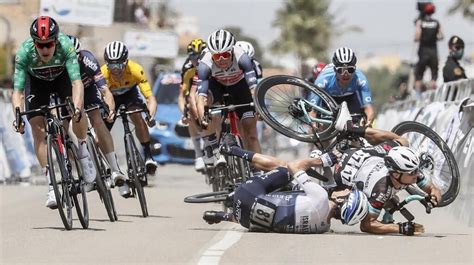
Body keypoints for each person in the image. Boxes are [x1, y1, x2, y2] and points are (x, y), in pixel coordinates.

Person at [202, 134, 369, 233]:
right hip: (243, 219)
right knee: (278, 216)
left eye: (349, 193)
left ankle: (231, 150)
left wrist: (320, 161)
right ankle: (222, 216)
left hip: (246, 193)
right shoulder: (323, 227)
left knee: (284, 168)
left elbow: (294, 167)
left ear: (342, 201)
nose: (346, 190)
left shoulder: (321, 196)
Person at [12, 16, 96, 208]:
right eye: (40, 45)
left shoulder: (66, 46)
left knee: (77, 111)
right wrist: (17, 115)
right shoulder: (24, 53)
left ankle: (83, 153)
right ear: (34, 43)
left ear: (56, 40)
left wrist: (76, 107)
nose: (45, 49)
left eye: (49, 44)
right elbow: (17, 92)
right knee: (37, 129)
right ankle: (51, 185)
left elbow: (77, 83)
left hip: (62, 79)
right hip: (36, 84)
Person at [331, 102, 442, 235]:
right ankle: (350, 129)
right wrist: (400, 228)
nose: (417, 174)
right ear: (396, 174)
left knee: (403, 141)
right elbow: (367, 225)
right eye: (412, 172)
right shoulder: (381, 189)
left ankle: (353, 129)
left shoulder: (409, 173)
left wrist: (435, 197)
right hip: (347, 169)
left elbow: (434, 189)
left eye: (416, 169)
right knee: (387, 201)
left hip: (368, 157)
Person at [67, 35, 130, 197]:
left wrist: (110, 109)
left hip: (88, 91)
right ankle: (79, 166)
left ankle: (115, 170)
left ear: (80, 55)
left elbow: (105, 91)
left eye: (75, 57)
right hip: (68, 93)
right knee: (62, 127)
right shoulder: (59, 64)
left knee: (97, 120)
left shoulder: (88, 60)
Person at [196, 29, 261, 166]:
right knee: (208, 107)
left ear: (231, 51)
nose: (221, 59)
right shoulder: (204, 65)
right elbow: (201, 97)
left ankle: (257, 168)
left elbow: (253, 88)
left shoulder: (242, 58)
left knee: (251, 130)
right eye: (216, 56)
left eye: (225, 55)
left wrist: (259, 107)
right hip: (217, 85)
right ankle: (212, 145)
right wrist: (202, 116)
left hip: (239, 86)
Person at [100, 41, 158, 181]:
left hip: (129, 94)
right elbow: (101, 99)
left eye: (119, 65)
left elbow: (150, 98)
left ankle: (148, 155)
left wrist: (150, 116)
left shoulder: (135, 70)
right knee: (100, 133)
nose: (116, 70)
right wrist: (109, 113)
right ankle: (106, 165)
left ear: (126, 62)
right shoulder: (102, 74)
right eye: (112, 65)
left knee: (137, 116)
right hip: (110, 97)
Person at [314, 47, 375, 127]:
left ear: (355, 69)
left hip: (350, 98)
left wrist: (369, 121)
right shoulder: (323, 79)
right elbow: (312, 109)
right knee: (322, 127)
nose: (346, 74)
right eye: (341, 70)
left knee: (361, 126)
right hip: (329, 99)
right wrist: (314, 124)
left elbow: (369, 108)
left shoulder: (360, 79)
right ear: (335, 70)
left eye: (350, 70)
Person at [179, 38, 207, 172]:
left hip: (209, 88)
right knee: (190, 110)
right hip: (193, 89)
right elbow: (182, 95)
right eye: (193, 57)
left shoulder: (211, 63)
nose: (197, 60)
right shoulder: (187, 67)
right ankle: (198, 155)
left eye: (199, 57)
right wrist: (183, 113)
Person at [414, 2, 444, 93]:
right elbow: (441, 36)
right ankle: (432, 95)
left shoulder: (420, 22)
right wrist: (433, 37)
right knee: (434, 77)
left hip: (423, 52)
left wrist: (419, 38)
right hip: (433, 52)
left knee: (419, 77)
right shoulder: (437, 22)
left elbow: (417, 37)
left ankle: (418, 96)